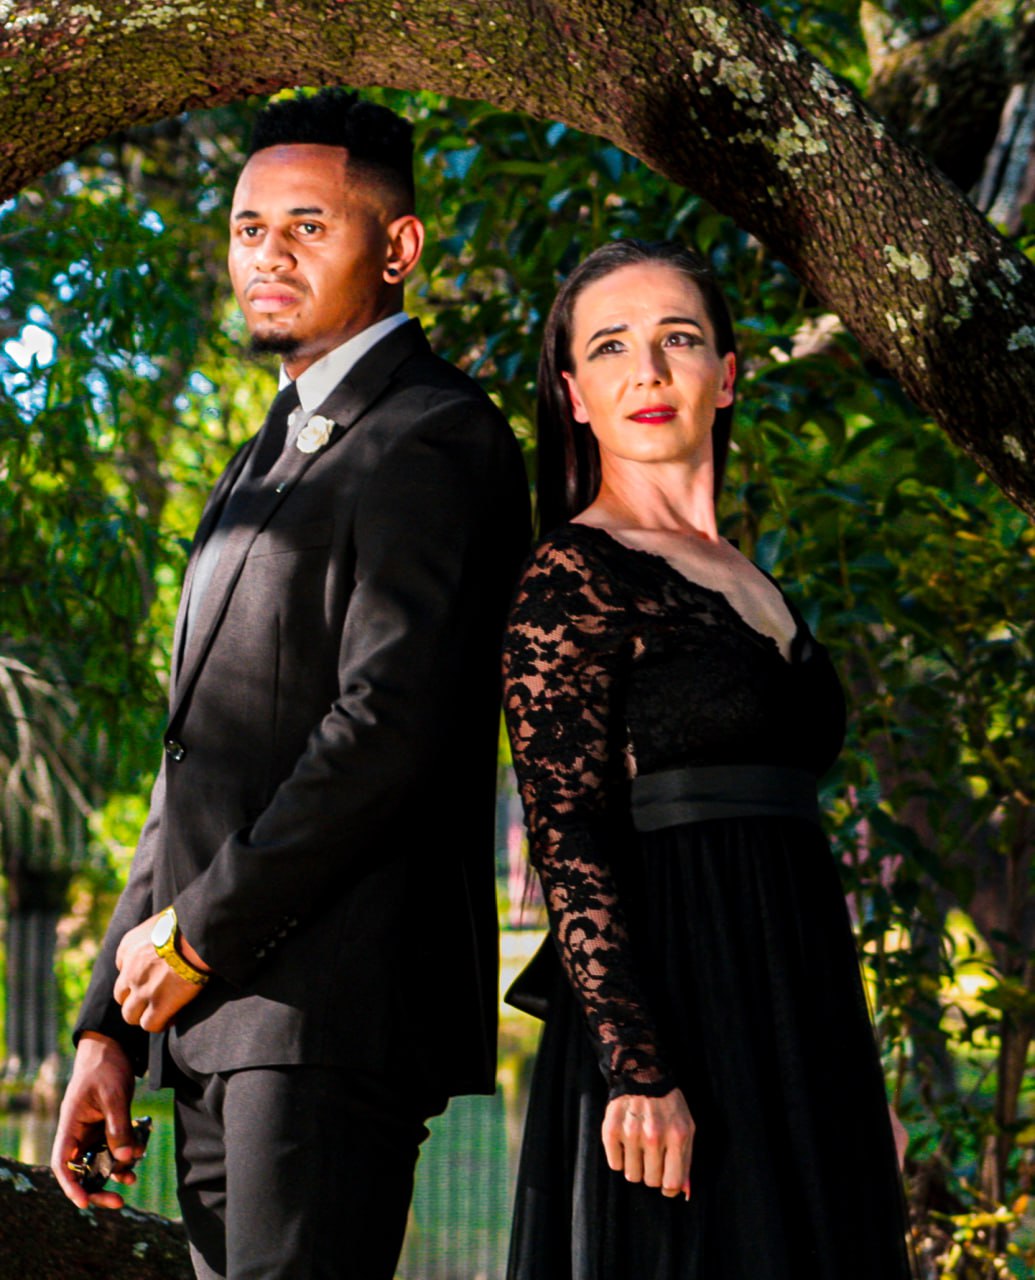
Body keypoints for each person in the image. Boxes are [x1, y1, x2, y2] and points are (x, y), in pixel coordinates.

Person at [51, 88, 530, 1280]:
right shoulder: (261, 452)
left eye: (307, 226)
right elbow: (194, 764)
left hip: (332, 1013)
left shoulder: (436, 432)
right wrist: (109, 1025)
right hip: (214, 1020)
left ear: (399, 247)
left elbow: (390, 727)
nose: (267, 254)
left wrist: (198, 935)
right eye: (248, 228)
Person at [502, 238, 913, 1279]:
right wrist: (636, 1068)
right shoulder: (571, 571)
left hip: (798, 1006)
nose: (647, 371)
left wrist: (849, 1080)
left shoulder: (748, 577)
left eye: (676, 339)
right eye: (610, 347)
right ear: (574, 395)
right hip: (674, 1009)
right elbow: (566, 828)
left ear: (725, 375)